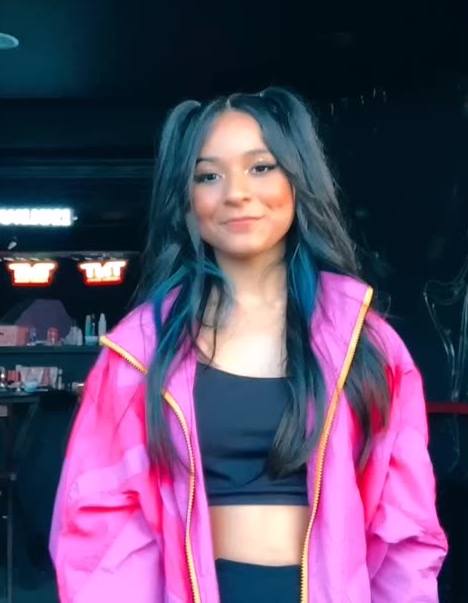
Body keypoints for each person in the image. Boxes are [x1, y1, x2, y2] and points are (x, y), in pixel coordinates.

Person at [50, 88, 447, 603]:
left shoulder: (366, 344)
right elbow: (100, 527)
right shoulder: (138, 353)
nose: (236, 193)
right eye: (208, 176)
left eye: (261, 168)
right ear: (185, 200)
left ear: (298, 179)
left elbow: (406, 525)